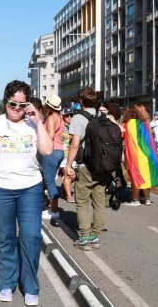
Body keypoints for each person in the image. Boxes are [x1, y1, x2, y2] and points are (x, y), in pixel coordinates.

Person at [0, 80, 52, 305]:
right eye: (12, 103)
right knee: (4, 237)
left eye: (22, 104)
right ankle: (6, 283)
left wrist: (38, 120)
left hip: (30, 189)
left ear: (28, 104)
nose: (17, 108)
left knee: (31, 236)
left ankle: (30, 285)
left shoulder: (34, 124)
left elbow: (46, 150)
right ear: (5, 102)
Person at [64, 87, 109, 251]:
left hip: (86, 165)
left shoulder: (78, 118)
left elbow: (75, 144)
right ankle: (96, 236)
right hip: (103, 165)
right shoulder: (102, 116)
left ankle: (85, 237)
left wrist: (68, 165)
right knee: (98, 201)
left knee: (82, 201)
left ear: (81, 101)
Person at [122, 103, 158, 206]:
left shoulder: (127, 123)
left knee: (135, 177)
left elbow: (122, 135)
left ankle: (135, 200)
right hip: (148, 154)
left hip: (134, 155)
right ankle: (147, 199)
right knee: (146, 177)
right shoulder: (144, 123)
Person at [41, 94, 64, 227]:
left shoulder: (50, 118)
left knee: (49, 182)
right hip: (59, 150)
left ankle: (54, 212)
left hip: (51, 150)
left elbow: (49, 136)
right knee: (50, 181)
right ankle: (52, 208)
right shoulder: (59, 117)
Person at [58, 108, 75, 203]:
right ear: (63, 116)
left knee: (74, 176)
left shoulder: (74, 126)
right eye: (67, 115)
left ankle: (64, 186)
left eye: (71, 115)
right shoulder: (60, 126)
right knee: (68, 175)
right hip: (63, 155)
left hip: (73, 155)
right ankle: (69, 196)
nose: (69, 117)